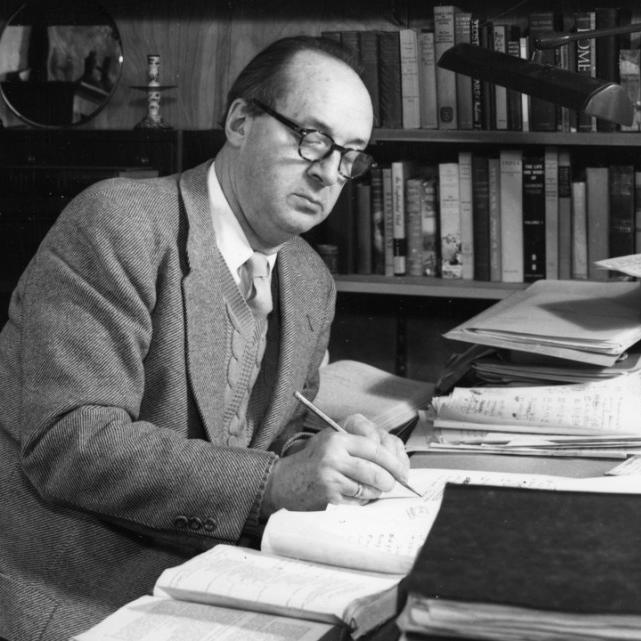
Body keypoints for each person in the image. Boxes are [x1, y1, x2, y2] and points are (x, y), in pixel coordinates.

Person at [0, 36, 411, 641]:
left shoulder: (309, 278)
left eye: (350, 155)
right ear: (241, 121)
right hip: (79, 591)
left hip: (219, 574)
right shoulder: (118, 224)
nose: (329, 174)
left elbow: (272, 430)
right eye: (311, 139)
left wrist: (329, 454)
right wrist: (273, 483)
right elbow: (70, 441)